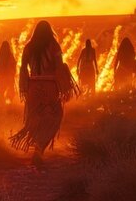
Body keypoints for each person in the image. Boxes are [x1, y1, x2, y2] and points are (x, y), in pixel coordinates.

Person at [10, 21, 79, 165]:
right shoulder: (54, 45)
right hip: (50, 87)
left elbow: (23, 68)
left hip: (33, 87)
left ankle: (37, 145)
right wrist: (64, 86)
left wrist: (25, 87)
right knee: (54, 117)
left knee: (35, 118)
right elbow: (59, 66)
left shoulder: (29, 47)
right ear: (49, 31)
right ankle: (40, 147)